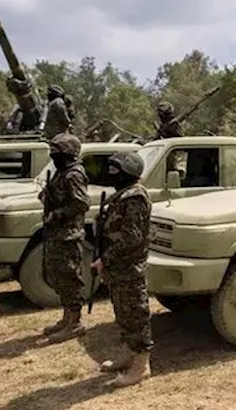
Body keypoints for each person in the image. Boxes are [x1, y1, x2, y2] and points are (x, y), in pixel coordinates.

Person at [93, 152, 153, 386]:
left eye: (117, 170)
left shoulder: (135, 197)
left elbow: (132, 238)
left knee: (135, 314)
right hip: (118, 266)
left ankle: (141, 365)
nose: (111, 174)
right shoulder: (122, 195)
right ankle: (129, 352)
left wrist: (105, 258)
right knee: (123, 312)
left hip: (129, 266)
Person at [39, 134, 90, 343]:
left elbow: (81, 204)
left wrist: (57, 213)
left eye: (57, 152)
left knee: (69, 278)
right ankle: (66, 317)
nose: (53, 155)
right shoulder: (60, 173)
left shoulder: (73, 175)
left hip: (68, 235)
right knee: (58, 277)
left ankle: (75, 323)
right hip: (56, 233)